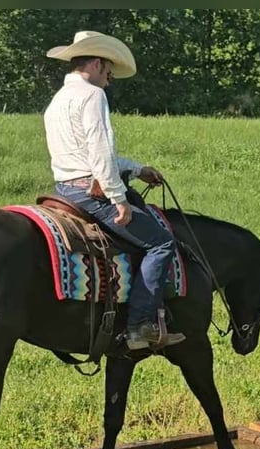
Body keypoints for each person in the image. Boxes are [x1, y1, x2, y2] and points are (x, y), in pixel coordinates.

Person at [43, 31, 185, 351]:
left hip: (65, 188)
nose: (110, 78)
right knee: (161, 242)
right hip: (90, 191)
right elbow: (100, 154)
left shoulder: (58, 100)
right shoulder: (92, 96)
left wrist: (137, 169)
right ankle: (140, 326)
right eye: (108, 70)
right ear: (95, 63)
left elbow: (86, 153)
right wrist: (119, 199)